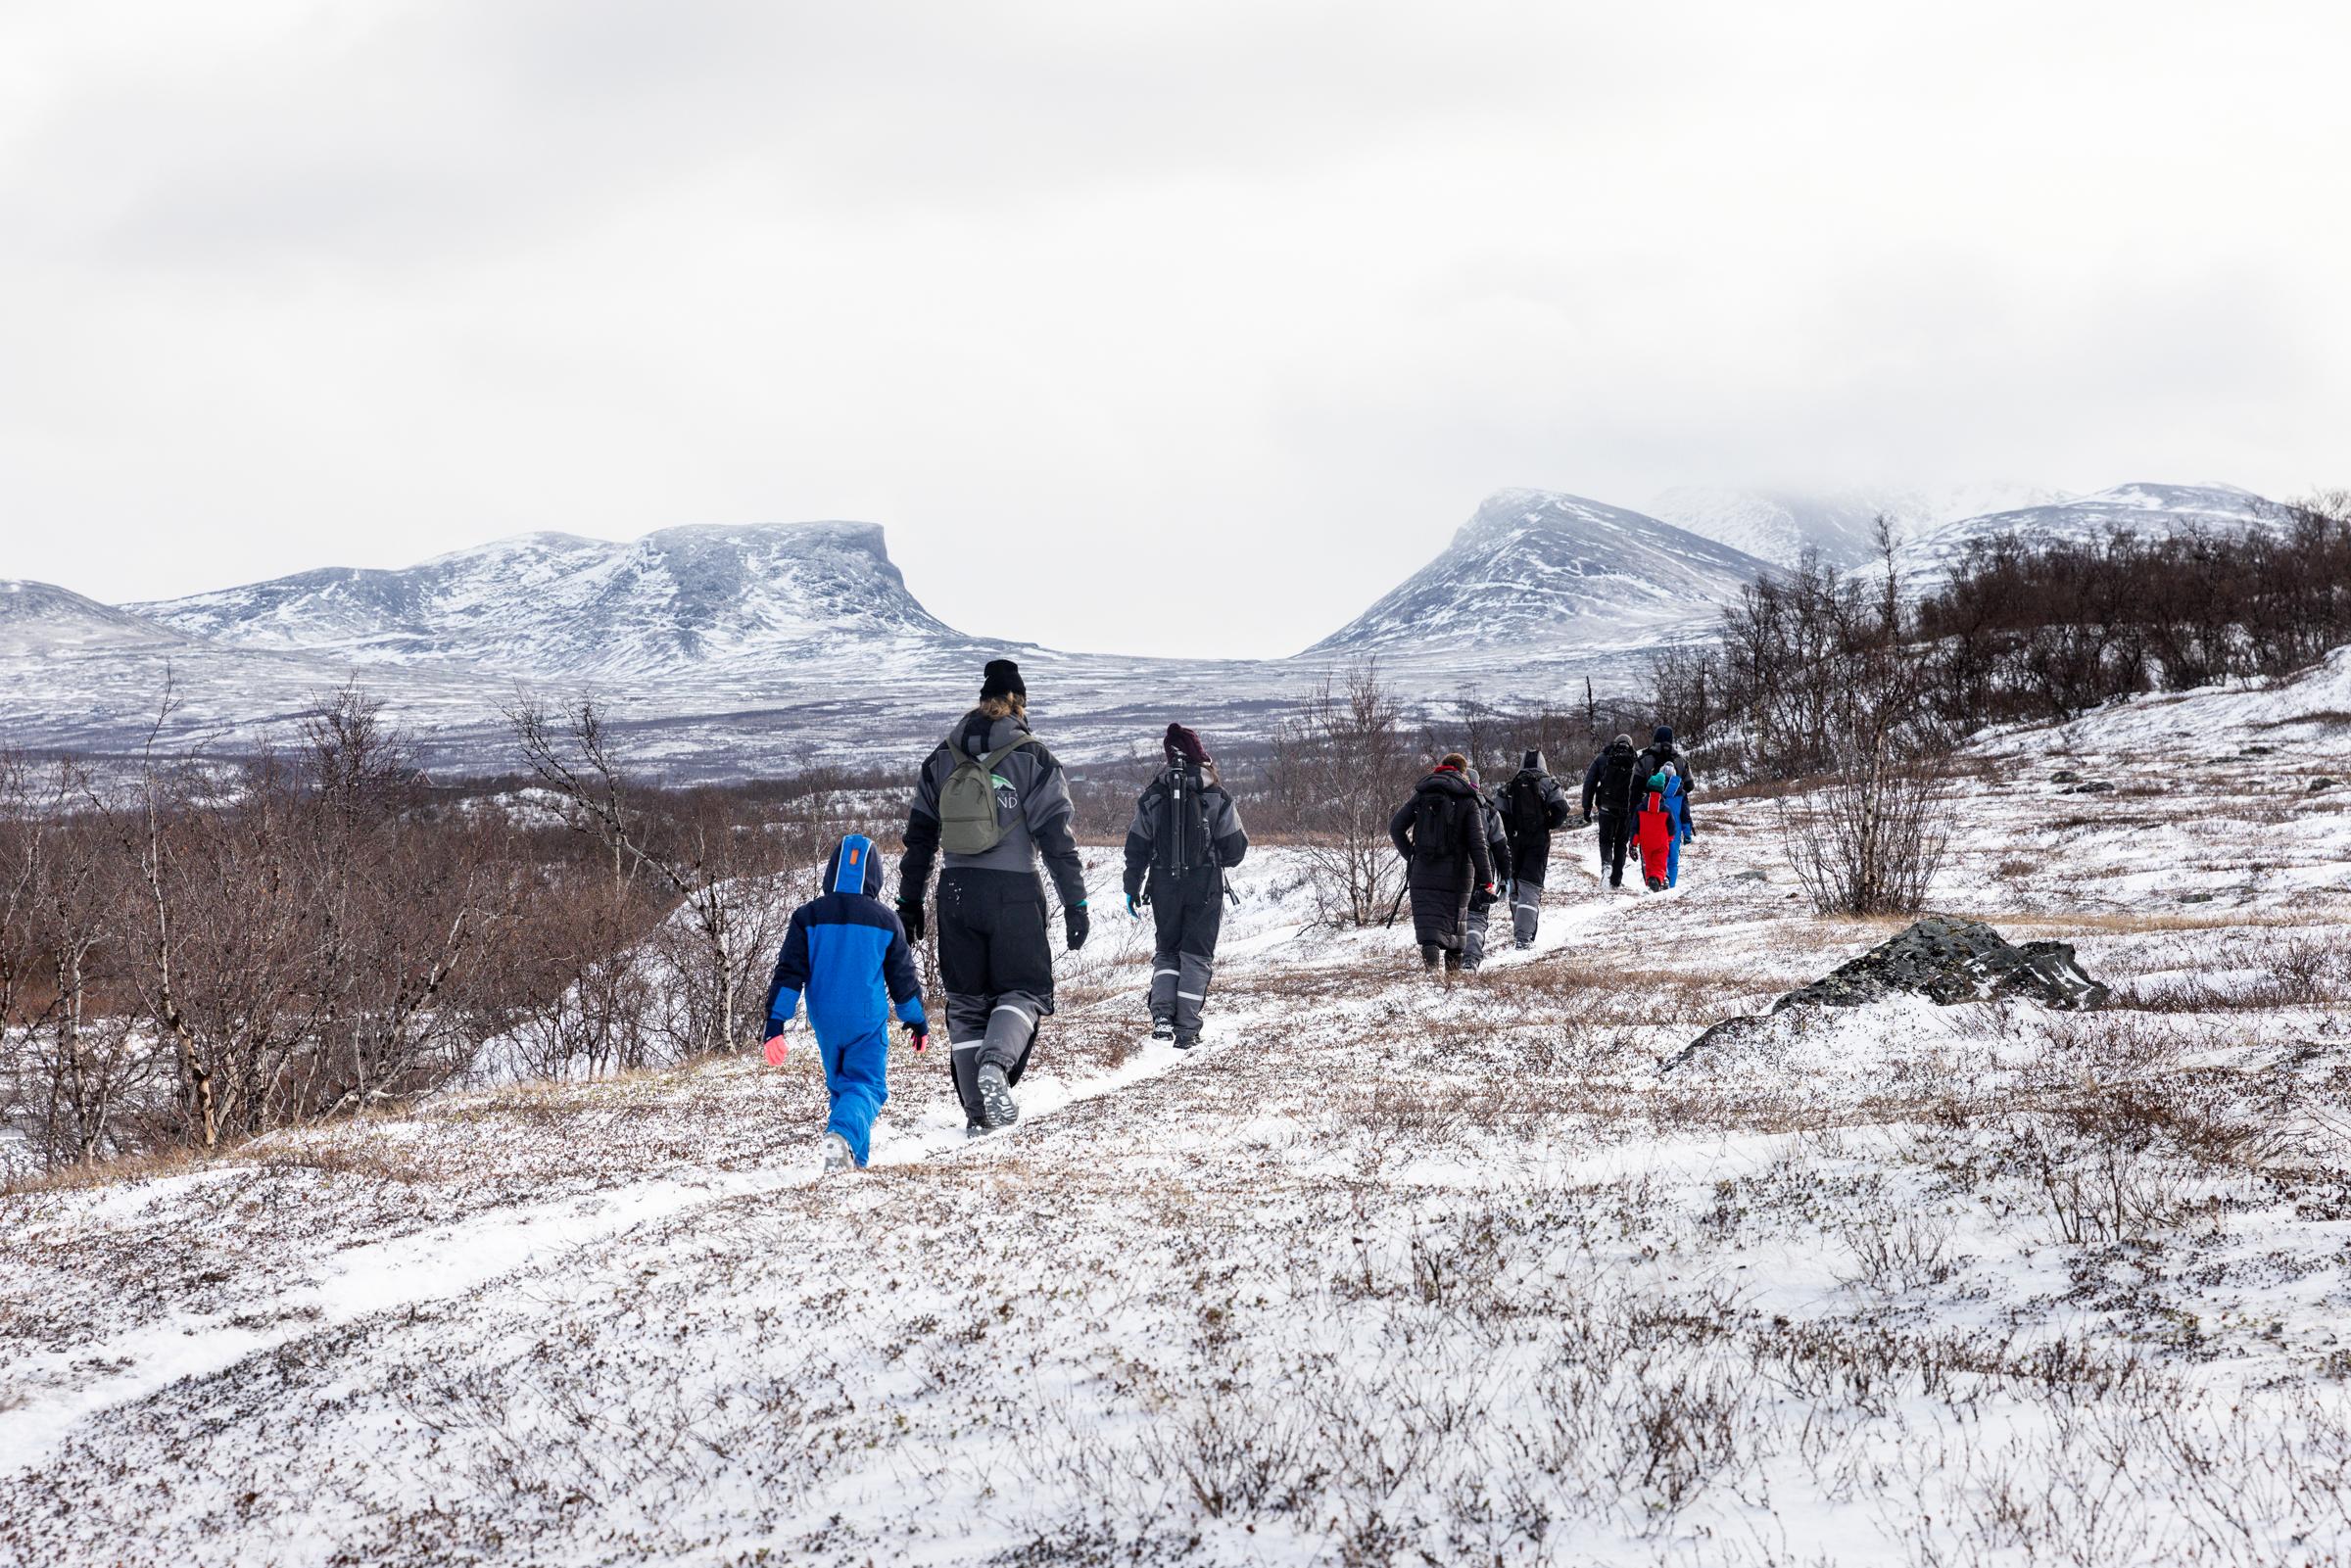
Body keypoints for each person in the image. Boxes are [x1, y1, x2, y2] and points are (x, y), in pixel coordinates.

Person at [896, 659, 1088, 1132]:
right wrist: (1075, 903)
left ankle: (978, 1118)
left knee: (964, 1002)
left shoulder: (942, 757)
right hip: (1014, 893)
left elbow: (919, 838)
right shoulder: (1033, 756)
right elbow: (1057, 841)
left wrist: (910, 902)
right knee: (1023, 990)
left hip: (955, 893)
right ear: (1019, 705)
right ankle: (995, 1066)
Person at [760, 833, 929, 1173]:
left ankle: (851, 1163)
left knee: (842, 1085)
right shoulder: (885, 920)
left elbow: (789, 973)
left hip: (824, 1019)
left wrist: (775, 1024)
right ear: (875, 875)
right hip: (864, 1020)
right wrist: (916, 1021)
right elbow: (903, 981)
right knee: (867, 1085)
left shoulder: (807, 917)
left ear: (832, 870)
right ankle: (842, 1136)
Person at [1122, 724, 1249, 1047]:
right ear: (1199, 753)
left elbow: (1136, 847)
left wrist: (1131, 887)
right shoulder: (1216, 794)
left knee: (1167, 951)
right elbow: (1235, 851)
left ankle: (1162, 1015)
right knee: (1196, 955)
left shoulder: (1153, 794)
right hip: (1204, 884)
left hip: (1164, 884)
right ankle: (1187, 1030)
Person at [1388, 752, 1497, 972]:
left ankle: (1431, 973)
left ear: (1442, 768)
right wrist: (1487, 881)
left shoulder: (1422, 794)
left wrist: (1412, 855)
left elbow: (1396, 827)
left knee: (1429, 927)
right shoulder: (1468, 799)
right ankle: (1451, 982)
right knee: (1455, 930)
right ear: (1462, 772)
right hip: (1458, 873)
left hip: (1423, 868)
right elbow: (1478, 844)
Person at [1498, 749, 1571, 946]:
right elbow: (1562, 809)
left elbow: (1499, 815)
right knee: (1530, 886)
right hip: (1538, 841)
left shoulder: (1510, 786)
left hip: (1514, 841)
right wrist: (1547, 824)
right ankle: (1524, 938)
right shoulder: (1549, 782)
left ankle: (1521, 931)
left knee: (1516, 887)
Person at [1581, 735, 1643, 890]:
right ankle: (1616, 879)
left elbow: (1589, 783)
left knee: (1606, 841)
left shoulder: (1602, 758)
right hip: (1626, 810)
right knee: (1621, 843)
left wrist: (1587, 808)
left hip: (1606, 808)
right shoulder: (1635, 760)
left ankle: (1606, 868)